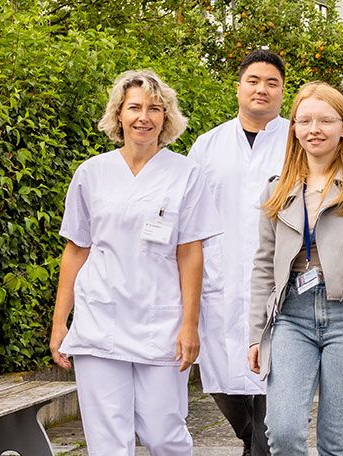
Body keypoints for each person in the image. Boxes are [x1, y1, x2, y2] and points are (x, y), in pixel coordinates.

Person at [49, 69, 210, 455]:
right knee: (107, 442)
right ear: (118, 115)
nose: (144, 117)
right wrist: (59, 324)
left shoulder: (186, 174)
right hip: (100, 319)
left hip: (161, 322)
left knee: (163, 433)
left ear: (166, 118)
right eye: (134, 107)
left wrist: (190, 325)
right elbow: (76, 250)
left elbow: (191, 252)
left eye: (155, 108)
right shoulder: (91, 173)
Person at [245, 82, 343, 456]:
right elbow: (264, 264)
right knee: (282, 431)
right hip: (291, 317)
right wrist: (254, 332)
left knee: (336, 439)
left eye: (326, 120)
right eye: (306, 120)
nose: (315, 129)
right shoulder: (276, 190)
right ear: (294, 127)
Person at [186, 50, 288, 455]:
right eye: (253, 81)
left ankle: (261, 445)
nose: (261, 89)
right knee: (222, 384)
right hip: (219, 281)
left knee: (274, 390)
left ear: (282, 91)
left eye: (272, 83)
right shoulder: (207, 145)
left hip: (279, 282)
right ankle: (250, 439)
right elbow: (189, 215)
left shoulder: (296, 140)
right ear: (239, 87)